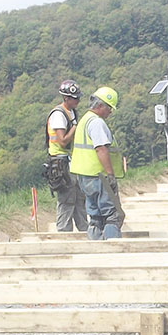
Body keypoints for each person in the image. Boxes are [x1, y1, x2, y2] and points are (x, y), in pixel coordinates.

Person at [69, 86, 124, 240]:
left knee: (95, 216)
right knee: (112, 215)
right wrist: (110, 175)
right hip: (99, 176)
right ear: (100, 106)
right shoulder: (97, 123)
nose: (110, 112)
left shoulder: (85, 120)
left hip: (85, 176)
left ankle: (95, 246)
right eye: (109, 108)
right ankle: (113, 248)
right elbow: (101, 149)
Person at [44, 79, 86, 232]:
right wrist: (75, 127)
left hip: (70, 160)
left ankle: (84, 229)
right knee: (67, 199)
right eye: (75, 98)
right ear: (66, 98)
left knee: (79, 197)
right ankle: (64, 232)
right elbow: (62, 141)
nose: (78, 101)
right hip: (60, 162)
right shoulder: (59, 115)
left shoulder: (71, 112)